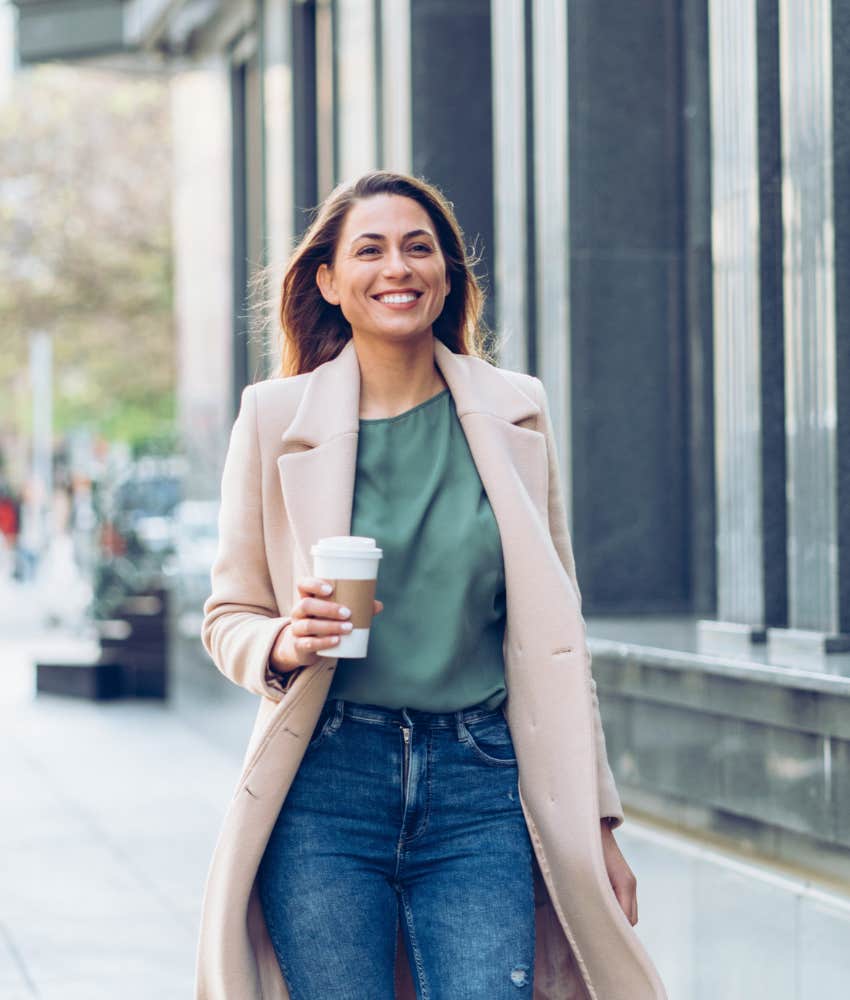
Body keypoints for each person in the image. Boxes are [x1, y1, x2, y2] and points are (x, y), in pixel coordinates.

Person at [196, 170, 666, 1000]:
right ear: (331, 282)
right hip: (326, 779)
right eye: (369, 251)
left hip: (479, 782)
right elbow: (229, 612)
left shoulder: (517, 413)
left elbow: (559, 642)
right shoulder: (273, 417)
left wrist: (597, 824)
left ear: (449, 274)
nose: (397, 268)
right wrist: (282, 639)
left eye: (420, 248)